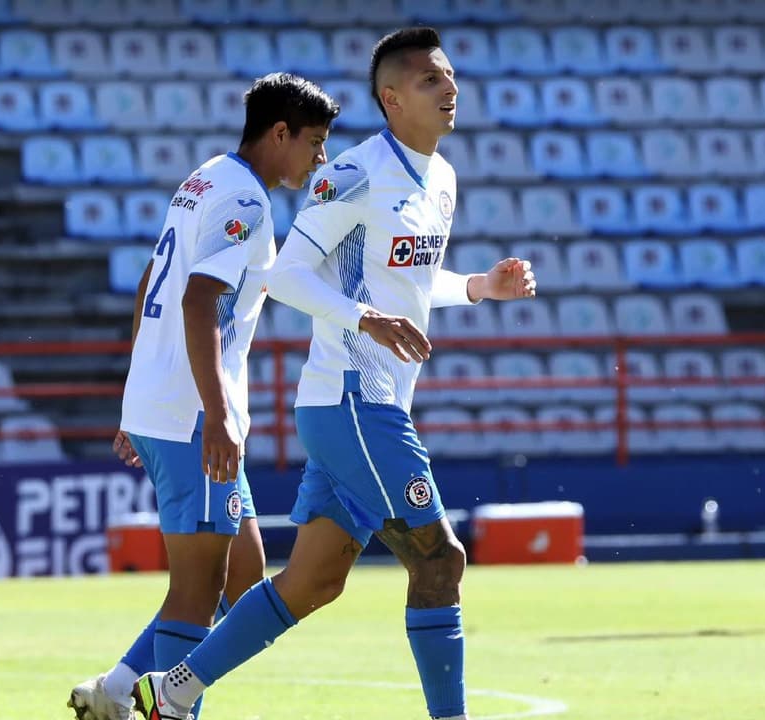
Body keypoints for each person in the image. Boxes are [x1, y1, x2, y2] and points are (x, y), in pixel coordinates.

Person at [131, 27, 537, 720]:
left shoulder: (440, 178)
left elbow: (403, 278)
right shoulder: (352, 172)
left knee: (314, 581)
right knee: (440, 561)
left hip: (367, 404)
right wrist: (364, 320)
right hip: (353, 399)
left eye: (449, 78)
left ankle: (169, 692)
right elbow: (287, 274)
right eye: (430, 81)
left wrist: (475, 288)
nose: (450, 90)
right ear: (391, 98)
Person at [67, 73, 338, 720]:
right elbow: (194, 301)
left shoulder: (204, 179)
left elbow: (149, 280)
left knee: (240, 576)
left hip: (168, 405)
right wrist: (216, 416)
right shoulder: (245, 202)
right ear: (281, 134)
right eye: (315, 143)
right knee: (200, 587)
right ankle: (171, 709)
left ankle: (114, 691)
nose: (319, 159)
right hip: (193, 414)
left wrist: (139, 394)